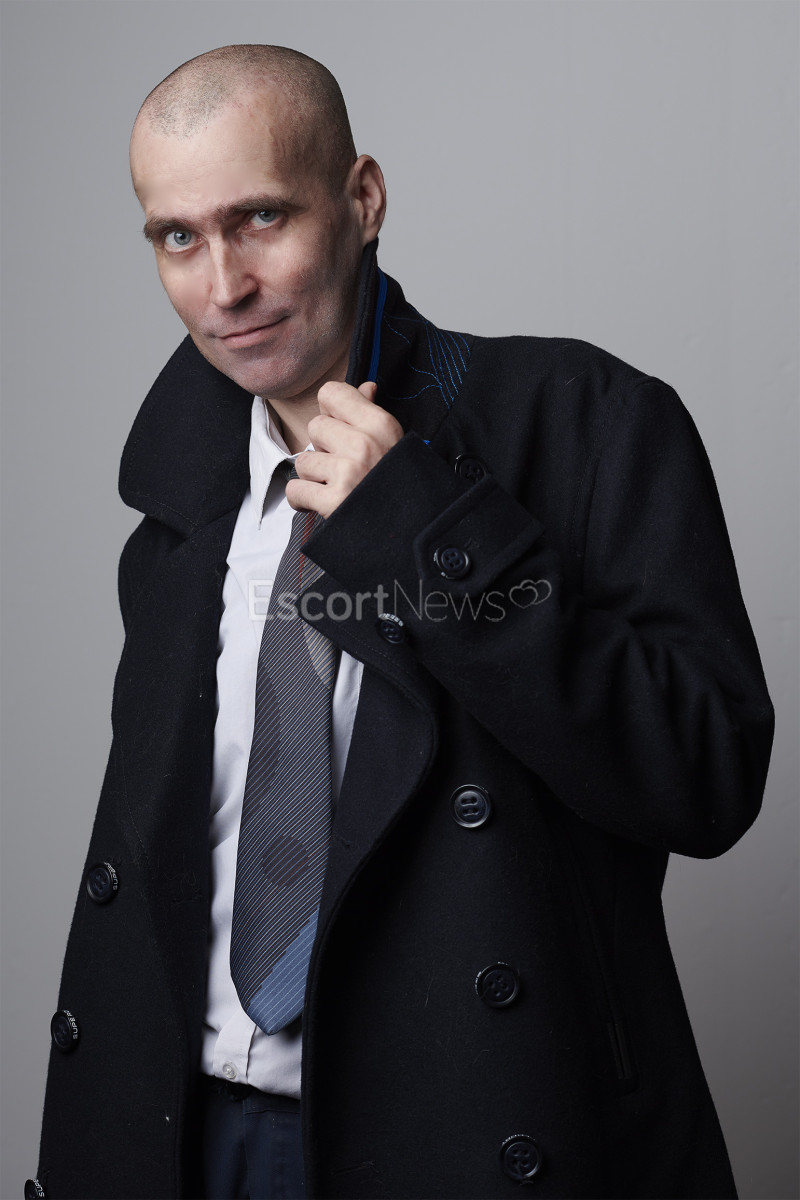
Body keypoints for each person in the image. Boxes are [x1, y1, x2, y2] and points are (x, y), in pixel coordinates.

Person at [28, 43, 774, 1200]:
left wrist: (429, 532)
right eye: (177, 237)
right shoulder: (176, 518)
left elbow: (705, 779)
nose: (223, 286)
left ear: (361, 199)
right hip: (187, 1133)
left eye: (260, 217)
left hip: (452, 1142)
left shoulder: (584, 423)